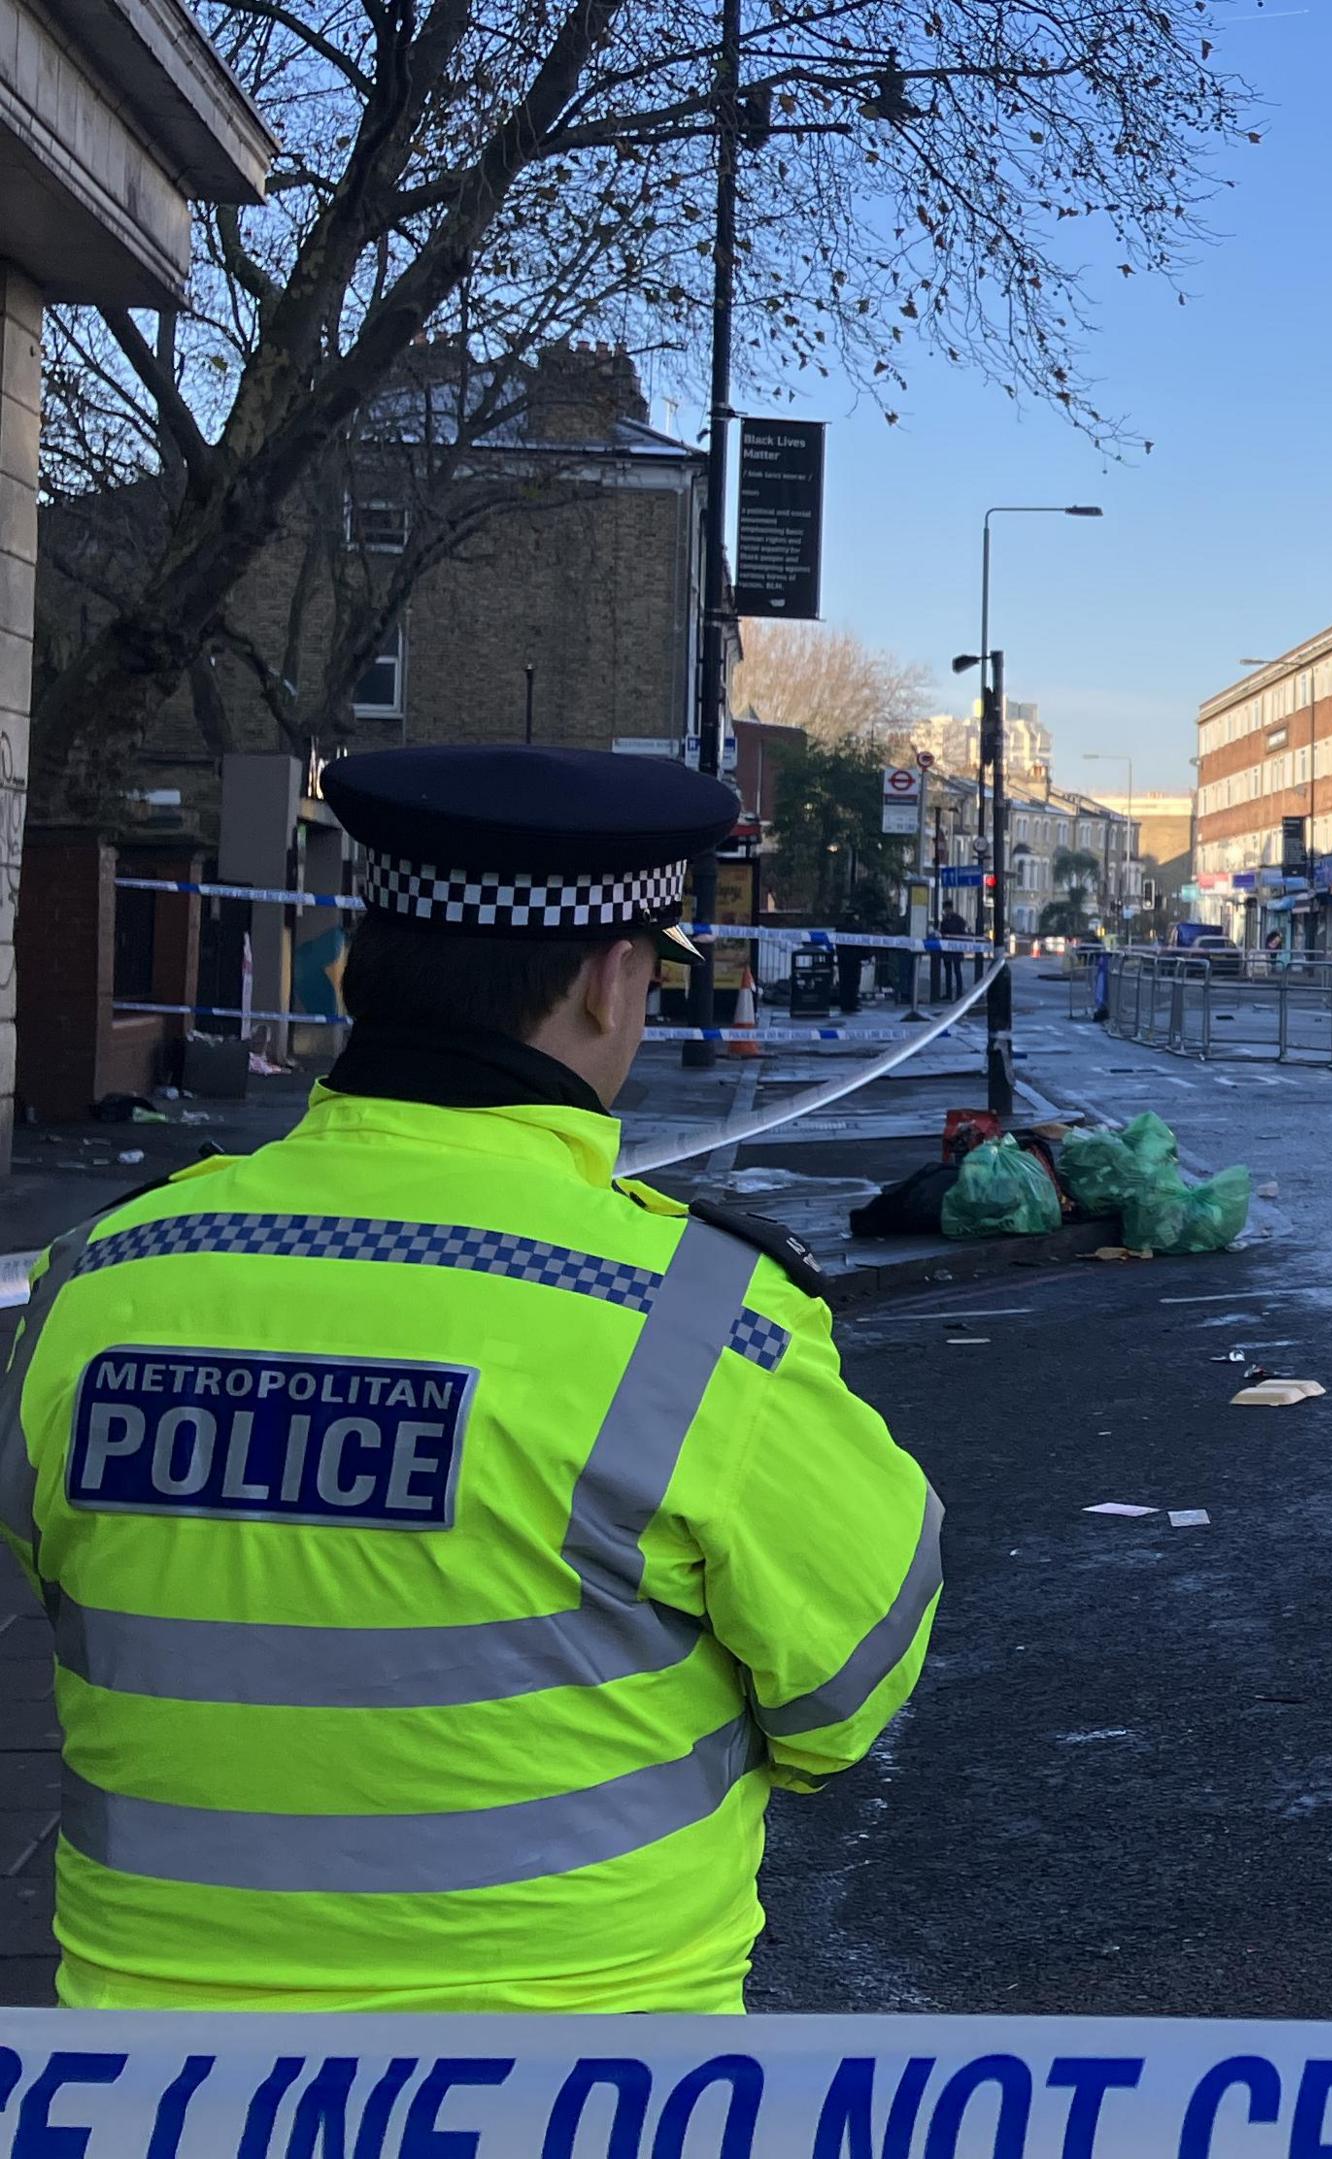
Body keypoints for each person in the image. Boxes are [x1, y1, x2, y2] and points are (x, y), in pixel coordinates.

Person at [0, 744, 942, 2011]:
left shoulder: (100, 1276)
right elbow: (848, 1692)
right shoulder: (704, 1321)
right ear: (613, 983)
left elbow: (61, 1572)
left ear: (353, 965)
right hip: (583, 2086)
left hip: (152, 2091)